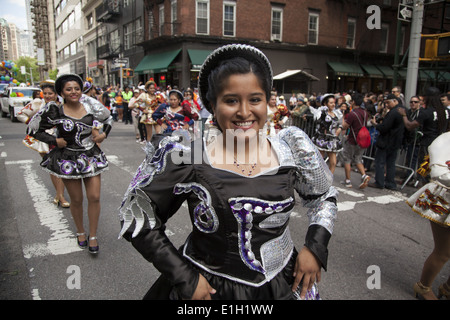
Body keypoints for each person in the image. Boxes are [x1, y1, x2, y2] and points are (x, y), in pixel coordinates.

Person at [118, 44, 338, 300]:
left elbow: (323, 197)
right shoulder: (189, 157)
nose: (244, 112)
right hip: (209, 288)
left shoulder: (291, 148)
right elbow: (136, 213)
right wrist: (184, 277)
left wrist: (314, 247)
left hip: (283, 282)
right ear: (212, 105)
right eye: (231, 100)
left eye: (255, 99)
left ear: (268, 101)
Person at [27, 74, 113, 254]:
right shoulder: (54, 110)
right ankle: (81, 232)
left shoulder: (90, 105)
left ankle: (93, 235)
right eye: (69, 89)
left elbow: (108, 119)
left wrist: (104, 134)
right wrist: (54, 140)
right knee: (76, 199)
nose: (74, 92)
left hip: (90, 157)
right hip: (68, 159)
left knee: (95, 196)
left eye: (77, 88)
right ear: (62, 93)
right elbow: (33, 130)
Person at [407, 131, 449, 300]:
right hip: (445, 200)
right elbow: (440, 173)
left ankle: (447, 288)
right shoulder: (446, 140)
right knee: (444, 252)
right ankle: (423, 287)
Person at [20, 80, 70, 208]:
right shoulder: (38, 103)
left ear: (56, 94)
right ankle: (61, 196)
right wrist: (34, 124)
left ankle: (59, 195)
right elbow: (21, 114)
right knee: (52, 168)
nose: (47, 96)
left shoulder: (63, 105)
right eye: (45, 93)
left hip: (60, 138)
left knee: (62, 167)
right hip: (44, 140)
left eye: (50, 93)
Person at [398, 87, 450, 185]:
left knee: (426, 170)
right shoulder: (446, 111)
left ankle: (426, 191)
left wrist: (404, 115)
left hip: (428, 144)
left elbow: (410, 126)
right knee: (438, 169)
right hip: (442, 145)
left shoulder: (427, 112)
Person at [368, 94, 405, 190]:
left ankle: (380, 182)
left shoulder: (394, 112)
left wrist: (375, 124)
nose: (387, 105)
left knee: (380, 162)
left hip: (387, 141)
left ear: (395, 101)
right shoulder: (402, 111)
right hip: (395, 141)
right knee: (390, 163)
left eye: (388, 102)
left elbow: (384, 128)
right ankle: (390, 183)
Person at [340, 93, 371, 189]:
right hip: (362, 139)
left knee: (347, 159)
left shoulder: (352, 114)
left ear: (353, 102)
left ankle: (348, 181)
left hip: (352, 139)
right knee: (358, 159)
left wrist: (343, 118)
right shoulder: (365, 113)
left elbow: (345, 126)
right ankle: (364, 175)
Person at [309, 94, 343, 174]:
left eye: (334, 102)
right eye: (331, 103)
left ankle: (329, 181)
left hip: (332, 140)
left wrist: (340, 128)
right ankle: (318, 177)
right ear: (325, 104)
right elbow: (318, 121)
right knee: (319, 161)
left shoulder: (336, 113)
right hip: (322, 139)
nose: (333, 104)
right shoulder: (322, 113)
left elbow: (340, 122)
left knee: (333, 162)